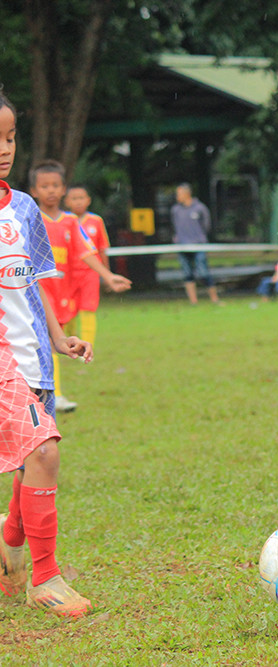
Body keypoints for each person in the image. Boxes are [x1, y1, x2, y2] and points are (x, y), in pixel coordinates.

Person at [0, 92, 94, 617]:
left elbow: (34, 285)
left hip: (31, 357)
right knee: (44, 452)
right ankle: (46, 577)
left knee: (27, 461)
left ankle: (12, 554)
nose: (5, 148)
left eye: (10, 137)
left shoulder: (24, 208)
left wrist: (58, 339)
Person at [30, 161, 131, 412]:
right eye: (44, 186)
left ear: (63, 189)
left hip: (65, 288)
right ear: (34, 190)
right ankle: (55, 394)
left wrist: (107, 276)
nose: (51, 190)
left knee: (59, 340)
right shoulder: (30, 218)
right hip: (39, 291)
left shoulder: (71, 221)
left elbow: (86, 252)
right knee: (46, 342)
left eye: (55, 185)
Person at [64, 184, 110, 345]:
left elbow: (102, 249)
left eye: (81, 198)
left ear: (88, 200)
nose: (78, 202)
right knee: (68, 309)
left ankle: (87, 347)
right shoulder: (64, 221)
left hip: (90, 273)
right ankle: (71, 340)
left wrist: (107, 274)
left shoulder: (96, 221)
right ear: (67, 201)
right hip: (68, 274)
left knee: (88, 308)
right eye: (74, 198)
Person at [171, 183, 219, 305]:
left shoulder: (200, 208)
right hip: (182, 246)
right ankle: (194, 302)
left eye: (179, 193)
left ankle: (215, 299)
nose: (177, 196)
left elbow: (206, 226)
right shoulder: (175, 210)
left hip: (198, 246)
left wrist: (199, 238)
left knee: (204, 273)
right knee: (187, 274)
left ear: (187, 194)